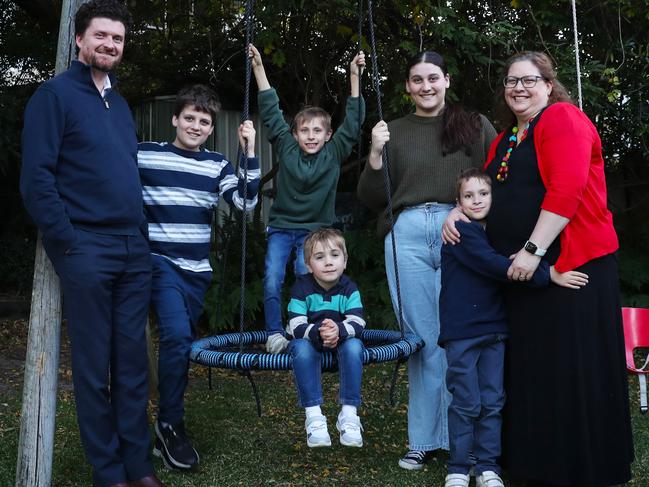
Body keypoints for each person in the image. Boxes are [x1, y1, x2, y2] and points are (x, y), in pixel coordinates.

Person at [443, 51, 634, 487]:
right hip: (521, 276)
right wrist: (458, 213)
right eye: (511, 81)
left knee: (569, 366)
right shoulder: (508, 138)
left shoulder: (562, 118)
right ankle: (533, 462)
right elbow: (485, 194)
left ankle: (579, 466)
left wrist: (532, 250)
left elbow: (567, 189)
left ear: (549, 85)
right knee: (533, 368)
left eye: (530, 80)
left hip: (569, 265)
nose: (519, 88)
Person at [19, 1, 164, 486]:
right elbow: (36, 179)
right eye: (101, 36)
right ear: (79, 40)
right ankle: (109, 472)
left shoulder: (118, 103)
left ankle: (138, 467)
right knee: (92, 368)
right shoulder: (54, 96)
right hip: (86, 250)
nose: (109, 45)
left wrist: (140, 235)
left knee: (132, 368)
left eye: (118, 39)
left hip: (132, 249)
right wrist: (68, 243)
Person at [357, 51, 498, 470]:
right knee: (422, 342)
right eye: (416, 80)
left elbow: (495, 181)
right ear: (407, 87)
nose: (426, 86)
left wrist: (466, 209)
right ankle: (422, 439)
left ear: (447, 80)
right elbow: (371, 198)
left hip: (460, 234)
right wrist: (376, 154)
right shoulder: (393, 130)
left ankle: (464, 443)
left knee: (459, 338)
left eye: (433, 78)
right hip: (408, 233)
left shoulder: (473, 125)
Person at [439, 168, 589, 487]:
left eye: (483, 194)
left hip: (494, 328)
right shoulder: (461, 231)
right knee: (467, 401)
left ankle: (488, 466)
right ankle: (458, 467)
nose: (477, 200)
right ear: (458, 201)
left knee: (493, 400)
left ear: (494, 197)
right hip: (463, 330)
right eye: (468, 196)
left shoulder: (493, 231)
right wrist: (547, 274)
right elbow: (496, 266)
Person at [137, 85, 259, 470]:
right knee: (175, 335)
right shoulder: (146, 155)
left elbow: (246, 201)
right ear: (175, 119)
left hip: (196, 272)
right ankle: (172, 424)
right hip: (159, 262)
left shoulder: (217, 165)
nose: (195, 125)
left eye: (203, 122)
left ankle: (164, 423)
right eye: (189, 118)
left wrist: (250, 151)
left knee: (180, 344)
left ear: (211, 128)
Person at [247, 44, 366, 355]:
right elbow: (271, 112)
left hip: (315, 233)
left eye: (317, 131)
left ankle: (304, 329)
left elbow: (353, 124)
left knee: (306, 276)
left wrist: (354, 77)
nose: (311, 136)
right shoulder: (287, 148)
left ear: (328, 135)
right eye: (304, 130)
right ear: (295, 134)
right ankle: (274, 332)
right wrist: (259, 68)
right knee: (272, 278)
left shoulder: (334, 152)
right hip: (282, 227)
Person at [286, 228, 366, 448]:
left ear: (345, 261)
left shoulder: (349, 288)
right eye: (320, 257)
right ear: (309, 265)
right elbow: (296, 326)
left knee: (354, 347)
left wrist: (338, 330)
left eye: (334, 255)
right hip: (309, 341)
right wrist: (320, 332)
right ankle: (314, 416)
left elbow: (358, 322)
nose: (328, 262)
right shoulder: (301, 288)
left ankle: (349, 414)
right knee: (301, 349)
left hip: (341, 340)